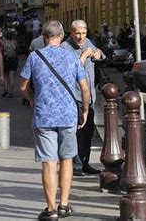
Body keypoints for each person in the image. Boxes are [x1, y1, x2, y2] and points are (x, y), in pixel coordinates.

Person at [20, 20, 90, 221]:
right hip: (68, 115)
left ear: (44, 37)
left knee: (49, 162)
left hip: (44, 115)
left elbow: (23, 86)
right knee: (66, 158)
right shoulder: (71, 56)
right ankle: (64, 205)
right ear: (61, 37)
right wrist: (84, 110)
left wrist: (33, 100)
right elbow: (84, 88)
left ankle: (50, 210)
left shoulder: (35, 57)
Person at [61, 19, 104, 175]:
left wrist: (98, 54)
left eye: (83, 33)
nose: (80, 37)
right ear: (71, 33)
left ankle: (85, 162)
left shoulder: (88, 43)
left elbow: (100, 54)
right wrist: (85, 56)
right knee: (75, 134)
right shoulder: (65, 48)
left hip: (90, 96)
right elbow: (70, 72)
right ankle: (76, 165)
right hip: (75, 97)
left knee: (88, 132)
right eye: (77, 33)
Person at [1, 29, 18, 97]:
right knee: (12, 76)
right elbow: (17, 50)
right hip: (13, 60)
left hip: (5, 59)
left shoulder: (3, 42)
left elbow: (1, 51)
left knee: (5, 76)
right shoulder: (15, 42)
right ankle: (11, 92)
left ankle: (6, 90)